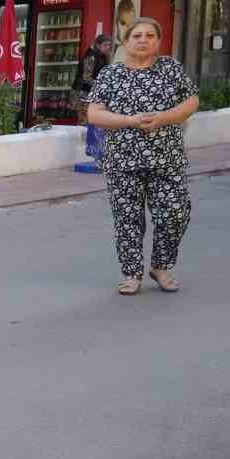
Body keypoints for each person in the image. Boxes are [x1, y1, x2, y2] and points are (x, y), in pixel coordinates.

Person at [85, 18, 200, 296]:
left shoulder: (170, 68)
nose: (143, 39)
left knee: (175, 212)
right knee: (128, 219)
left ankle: (160, 265)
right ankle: (132, 273)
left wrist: (164, 118)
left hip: (167, 157)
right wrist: (129, 120)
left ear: (158, 41)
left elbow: (192, 100)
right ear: (126, 42)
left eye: (150, 35)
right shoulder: (110, 74)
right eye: (137, 35)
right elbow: (94, 113)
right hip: (123, 160)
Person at [74, 34, 115, 158]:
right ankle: (82, 155)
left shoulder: (102, 57)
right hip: (84, 93)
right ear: (98, 45)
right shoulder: (91, 57)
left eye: (109, 45)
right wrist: (103, 85)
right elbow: (86, 77)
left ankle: (91, 152)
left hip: (94, 94)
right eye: (105, 45)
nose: (108, 48)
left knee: (93, 123)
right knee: (84, 123)